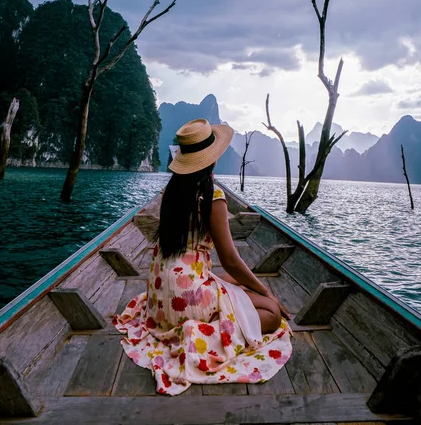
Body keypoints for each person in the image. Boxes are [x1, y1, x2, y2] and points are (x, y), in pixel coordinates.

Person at [113, 118, 292, 395]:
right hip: (188, 297)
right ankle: (201, 334)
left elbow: (221, 268)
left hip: (160, 298)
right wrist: (268, 292)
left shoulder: (171, 191)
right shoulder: (213, 196)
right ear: (213, 159)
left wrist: (245, 287)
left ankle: (210, 314)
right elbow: (231, 260)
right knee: (270, 314)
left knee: (233, 285)